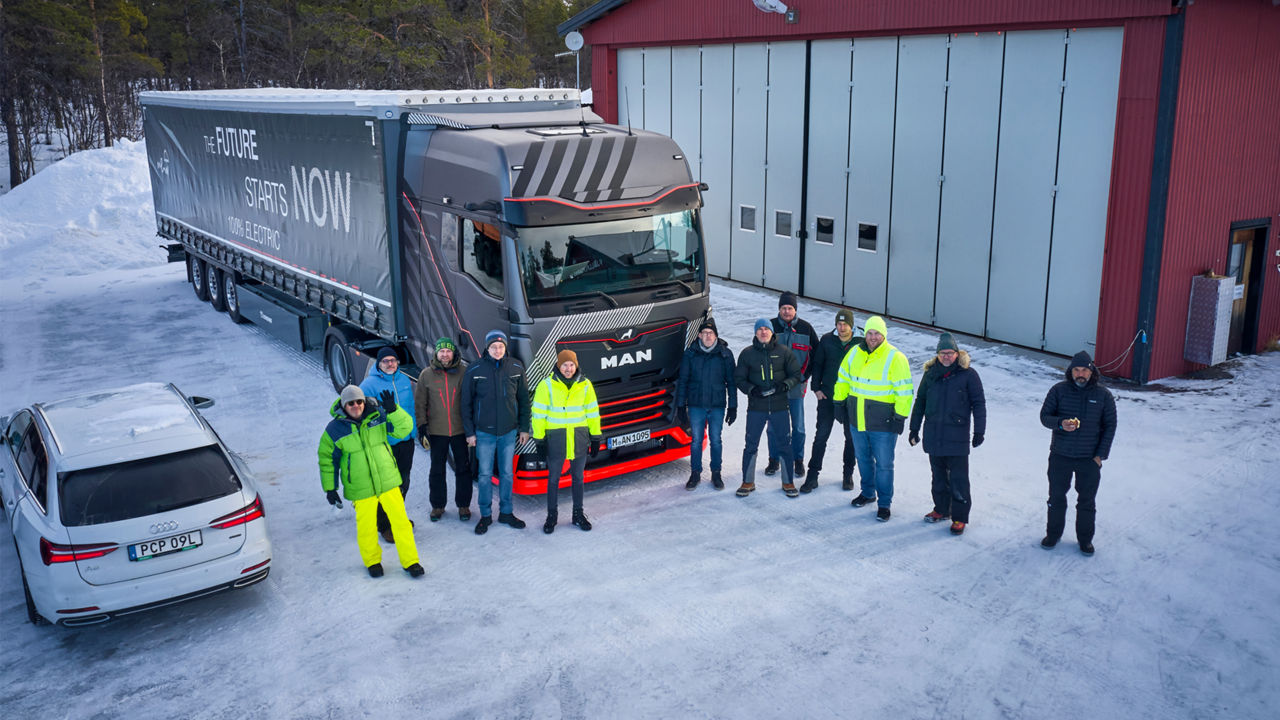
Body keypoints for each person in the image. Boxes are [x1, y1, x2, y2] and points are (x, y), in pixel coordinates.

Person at [318, 385, 424, 578]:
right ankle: (372, 561)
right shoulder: (334, 429)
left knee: (401, 523)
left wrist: (394, 411)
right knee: (366, 528)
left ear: (364, 401)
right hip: (361, 487)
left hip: (388, 480)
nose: (356, 406)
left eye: (359, 401)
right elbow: (327, 459)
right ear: (344, 405)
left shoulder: (379, 416)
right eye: (351, 403)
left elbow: (404, 429)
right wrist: (330, 489)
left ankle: (411, 562)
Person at [833, 315, 913, 521]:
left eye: (877, 333)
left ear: (884, 335)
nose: (873, 337)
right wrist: (838, 402)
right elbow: (843, 379)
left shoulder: (896, 357)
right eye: (869, 333)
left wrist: (900, 417)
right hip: (857, 419)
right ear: (864, 334)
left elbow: (904, 392)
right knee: (863, 459)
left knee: (884, 464)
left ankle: (884, 503)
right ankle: (868, 493)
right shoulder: (854, 353)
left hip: (883, 424)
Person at [1038, 351, 1116, 555]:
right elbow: (1044, 416)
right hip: (1060, 455)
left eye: (1084, 370)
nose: (1080, 374)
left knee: (1087, 501)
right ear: (1071, 371)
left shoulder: (1103, 395)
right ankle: (1053, 534)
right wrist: (1060, 423)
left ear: (1091, 371)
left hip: (1088, 459)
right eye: (1076, 370)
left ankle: (1085, 540)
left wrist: (1100, 455)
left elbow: (1110, 426)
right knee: (1056, 497)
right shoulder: (1058, 390)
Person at [908, 333, 987, 535]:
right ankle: (942, 509)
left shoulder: (968, 375)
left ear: (957, 353)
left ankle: (959, 517)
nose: (946, 356)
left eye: (950, 353)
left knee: (959, 479)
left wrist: (979, 431)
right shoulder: (930, 374)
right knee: (938, 477)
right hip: (934, 434)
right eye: (942, 353)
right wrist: (914, 428)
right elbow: (920, 401)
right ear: (937, 354)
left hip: (957, 436)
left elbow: (979, 404)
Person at [461, 329, 532, 535]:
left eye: (501, 346)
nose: (498, 350)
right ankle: (485, 515)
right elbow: (465, 404)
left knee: (507, 474)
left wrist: (524, 428)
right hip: (484, 433)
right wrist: (470, 433)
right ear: (487, 348)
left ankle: (506, 512)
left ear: (505, 347)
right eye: (494, 347)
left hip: (508, 432)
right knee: (484, 475)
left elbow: (524, 400)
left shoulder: (516, 367)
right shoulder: (475, 369)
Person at [532, 350, 602, 533]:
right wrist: (539, 439)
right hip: (556, 439)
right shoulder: (546, 386)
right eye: (565, 365)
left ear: (576, 366)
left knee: (578, 478)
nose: (568, 369)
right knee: (553, 478)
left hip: (579, 438)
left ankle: (578, 514)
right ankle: (552, 516)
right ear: (558, 365)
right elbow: (538, 415)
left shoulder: (585, 385)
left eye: (571, 365)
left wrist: (595, 436)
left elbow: (592, 413)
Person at [734, 318, 803, 497]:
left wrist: (784, 385)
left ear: (772, 332)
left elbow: (796, 374)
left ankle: (788, 482)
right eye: (760, 329)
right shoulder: (747, 354)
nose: (763, 332)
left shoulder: (784, 352)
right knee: (751, 444)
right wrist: (752, 389)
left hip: (779, 407)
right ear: (755, 333)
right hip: (756, 408)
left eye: (766, 329)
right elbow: (739, 379)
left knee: (785, 445)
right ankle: (747, 481)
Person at [360, 347, 417, 543]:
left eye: (393, 360)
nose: (390, 364)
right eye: (385, 361)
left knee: (403, 481)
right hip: (385, 443)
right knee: (386, 485)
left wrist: (415, 430)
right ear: (379, 364)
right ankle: (384, 525)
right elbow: (361, 414)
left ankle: (397, 518)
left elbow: (410, 408)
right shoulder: (369, 385)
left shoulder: (404, 380)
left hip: (407, 440)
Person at [415, 337, 474, 523]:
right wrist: (422, 427)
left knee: (463, 469)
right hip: (437, 431)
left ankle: (463, 505)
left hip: (460, 430)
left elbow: (471, 400)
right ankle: (438, 506)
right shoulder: (426, 375)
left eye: (448, 351)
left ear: (453, 353)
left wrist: (472, 427)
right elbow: (420, 404)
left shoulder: (464, 372)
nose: (445, 354)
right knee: (437, 470)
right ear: (436, 353)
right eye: (442, 351)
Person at [676, 318, 738, 491]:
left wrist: (733, 406)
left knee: (716, 440)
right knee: (696, 440)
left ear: (716, 335)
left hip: (717, 405)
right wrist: (681, 406)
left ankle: (716, 473)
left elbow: (731, 382)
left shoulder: (725, 354)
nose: (708, 336)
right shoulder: (690, 354)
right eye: (704, 333)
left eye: (711, 333)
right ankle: (695, 473)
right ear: (699, 335)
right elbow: (683, 381)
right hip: (696, 404)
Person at [803, 308, 861, 493]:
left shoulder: (861, 342)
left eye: (845, 324)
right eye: (839, 324)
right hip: (828, 395)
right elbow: (818, 364)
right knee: (821, 436)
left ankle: (847, 474)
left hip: (850, 399)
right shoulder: (827, 340)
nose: (842, 328)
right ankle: (812, 476)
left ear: (851, 325)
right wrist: (816, 388)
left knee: (851, 438)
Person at [767, 291, 820, 479]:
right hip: (775, 387)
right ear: (779, 309)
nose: (787, 311)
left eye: (790, 308)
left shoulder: (806, 329)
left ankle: (798, 460)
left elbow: (816, 356)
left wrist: (804, 377)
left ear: (795, 310)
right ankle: (773, 459)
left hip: (797, 386)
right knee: (774, 425)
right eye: (783, 308)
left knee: (798, 426)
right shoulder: (770, 327)